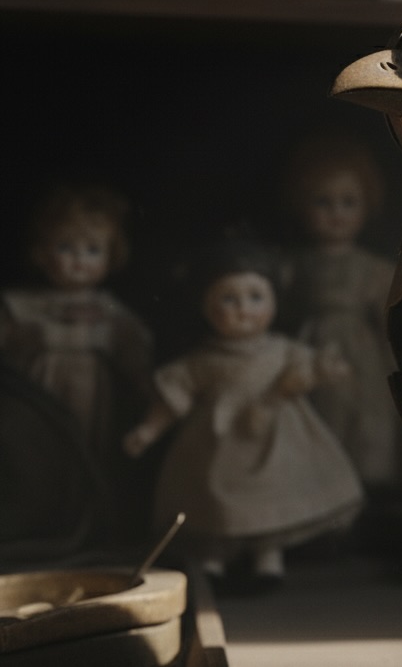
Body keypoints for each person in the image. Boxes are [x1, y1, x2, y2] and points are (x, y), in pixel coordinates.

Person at [123, 236, 363, 590]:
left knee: (273, 492)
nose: (243, 309)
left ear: (274, 301)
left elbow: (311, 368)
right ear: (205, 306)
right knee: (214, 500)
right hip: (216, 446)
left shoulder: (282, 350)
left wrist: (325, 369)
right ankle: (214, 558)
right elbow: (175, 396)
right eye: (228, 298)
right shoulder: (203, 359)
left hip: (276, 441)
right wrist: (149, 429)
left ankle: (268, 556)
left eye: (255, 297)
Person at [0, 184, 154, 538]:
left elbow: (135, 355)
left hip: (90, 400)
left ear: (110, 257)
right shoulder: (21, 306)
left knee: (88, 456)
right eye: (65, 247)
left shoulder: (110, 311)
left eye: (92, 250)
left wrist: (146, 388)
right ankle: (37, 529)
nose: (79, 260)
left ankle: (84, 527)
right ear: (41, 253)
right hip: (34, 400)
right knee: (34, 461)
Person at [280, 134, 402, 493]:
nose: (336, 213)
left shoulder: (373, 269)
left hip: (362, 357)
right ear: (301, 206)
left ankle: (364, 490)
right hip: (308, 348)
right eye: (323, 202)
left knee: (365, 420)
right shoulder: (294, 265)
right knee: (314, 417)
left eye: (349, 203)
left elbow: (386, 318)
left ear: (367, 207)